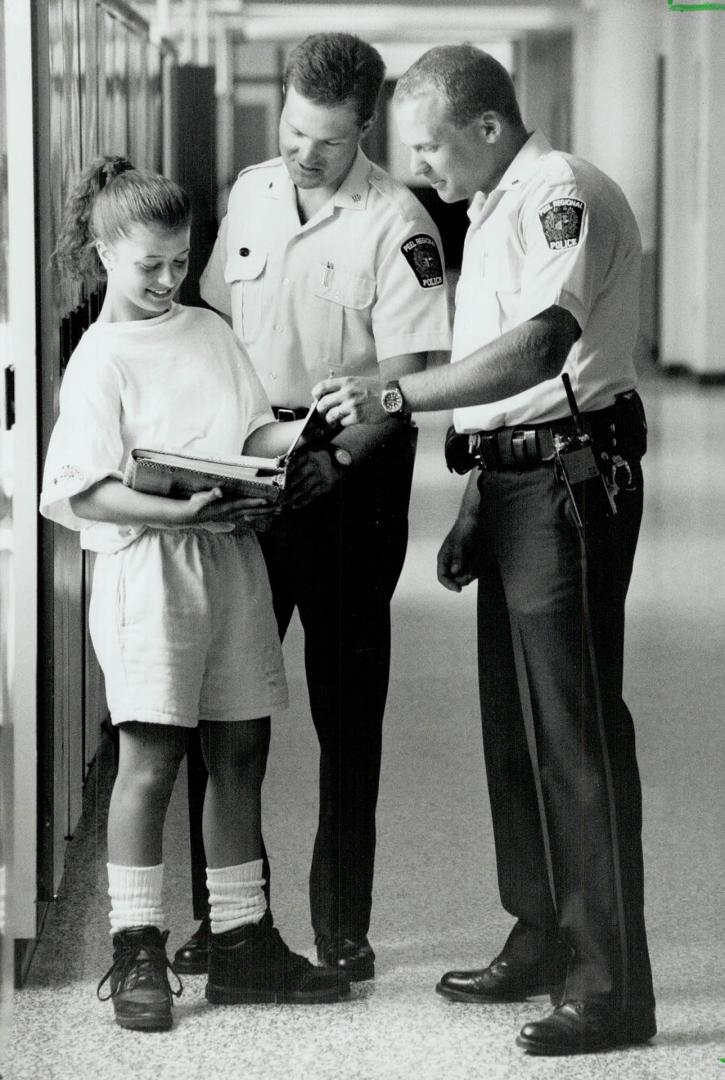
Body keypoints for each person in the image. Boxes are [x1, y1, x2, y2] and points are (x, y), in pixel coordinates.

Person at [313, 45, 656, 1056]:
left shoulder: (558, 192)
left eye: (428, 147)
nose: (423, 168)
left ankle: (609, 989)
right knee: (513, 727)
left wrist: (391, 392)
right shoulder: (492, 208)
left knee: (576, 728)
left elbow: (541, 348)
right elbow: (505, 381)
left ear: (488, 126)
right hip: (515, 478)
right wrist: (476, 491)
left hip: (570, 478)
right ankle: (542, 933)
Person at [39, 156, 347, 1031]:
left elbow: (247, 424)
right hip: (151, 571)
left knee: (239, 751)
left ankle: (243, 945)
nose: (171, 279)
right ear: (103, 252)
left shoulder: (207, 331)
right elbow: (86, 489)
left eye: (181, 259)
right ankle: (135, 950)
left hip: (230, 563)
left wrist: (293, 446)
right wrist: (178, 510)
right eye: (151, 265)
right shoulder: (100, 357)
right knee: (154, 759)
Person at [174, 32, 451, 983]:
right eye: (294, 131)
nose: (304, 154)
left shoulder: (397, 221)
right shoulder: (250, 191)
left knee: (345, 707)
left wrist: (341, 457)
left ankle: (343, 924)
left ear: (362, 128)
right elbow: (211, 320)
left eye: (326, 142)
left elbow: (412, 373)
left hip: (351, 476)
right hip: (253, 465)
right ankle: (225, 918)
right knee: (225, 712)